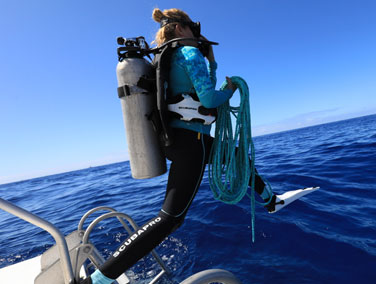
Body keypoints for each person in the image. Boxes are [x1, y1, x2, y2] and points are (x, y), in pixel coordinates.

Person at [81, 8, 276, 284]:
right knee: (169, 219)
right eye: (194, 29)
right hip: (191, 144)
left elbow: (197, 90)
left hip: (179, 140)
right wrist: (230, 89)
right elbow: (208, 99)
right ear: (182, 28)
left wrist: (212, 63)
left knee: (233, 155)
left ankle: (269, 199)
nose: (198, 34)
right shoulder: (189, 53)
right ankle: (99, 279)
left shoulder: (169, 55)